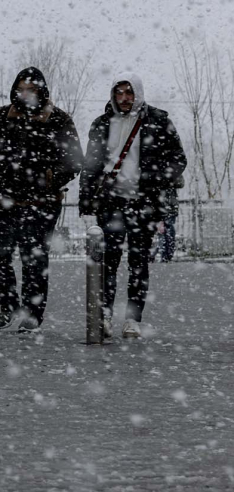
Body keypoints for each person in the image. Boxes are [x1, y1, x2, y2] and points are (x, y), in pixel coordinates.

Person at [0, 67, 84, 333]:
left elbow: (75, 160)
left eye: (31, 89)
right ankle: (8, 306)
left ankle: (32, 313)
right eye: (21, 89)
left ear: (41, 91)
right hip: (0, 200)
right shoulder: (1, 116)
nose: (26, 94)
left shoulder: (58, 120)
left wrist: (51, 177)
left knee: (34, 259)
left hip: (40, 204)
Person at [79, 74, 186, 339]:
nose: (125, 98)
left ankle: (132, 320)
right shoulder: (102, 124)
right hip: (111, 202)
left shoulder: (158, 122)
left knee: (139, 263)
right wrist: (86, 200)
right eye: (119, 93)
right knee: (108, 262)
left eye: (129, 93)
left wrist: (154, 178)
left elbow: (178, 159)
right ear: (113, 95)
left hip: (144, 203)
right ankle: (103, 317)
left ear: (138, 93)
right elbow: (91, 165)